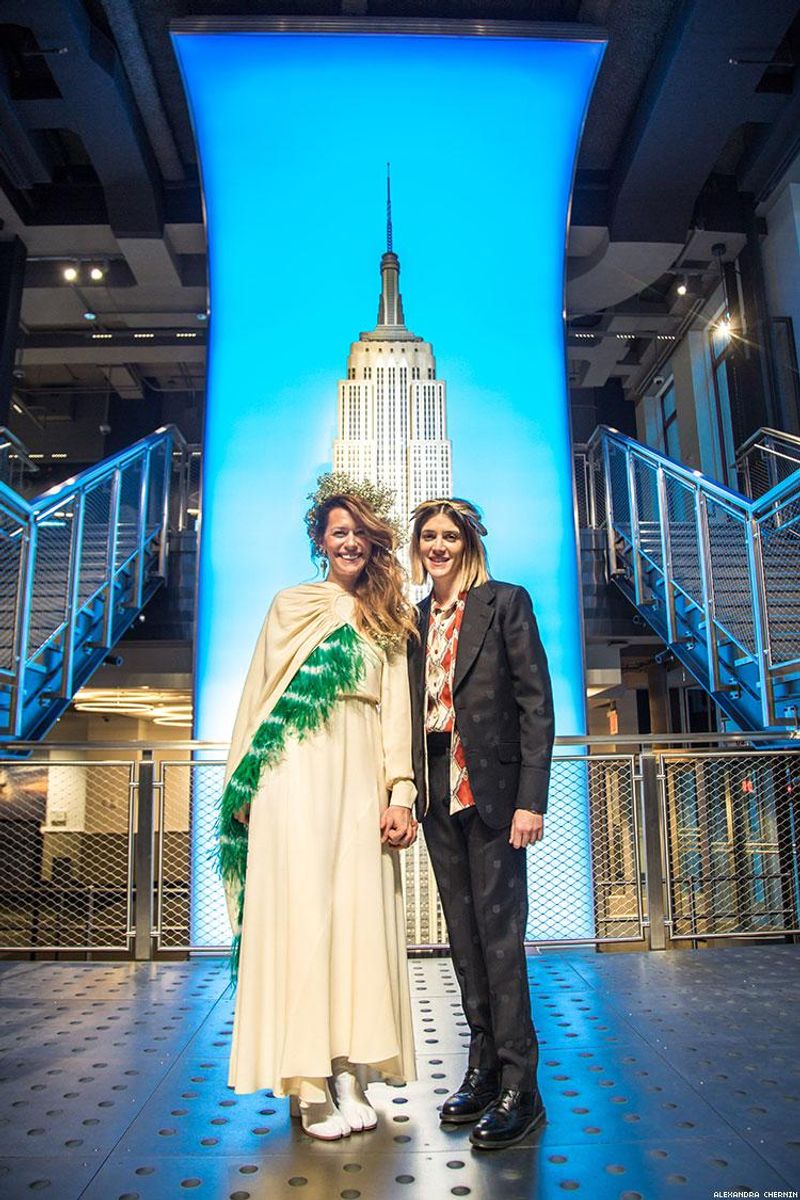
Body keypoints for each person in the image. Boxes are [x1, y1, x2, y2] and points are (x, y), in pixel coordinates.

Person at [218, 474, 419, 1141]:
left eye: (361, 533)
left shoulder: (387, 616)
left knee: (358, 921)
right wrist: (244, 785)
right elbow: (259, 698)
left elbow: (397, 713)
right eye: (340, 532)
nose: (351, 543)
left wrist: (400, 792)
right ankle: (305, 1085)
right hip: (293, 774)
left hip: (359, 771)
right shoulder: (290, 605)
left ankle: (346, 1070)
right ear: (320, 541)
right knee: (301, 920)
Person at [407, 497, 555, 1150]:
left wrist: (532, 799)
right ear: (419, 546)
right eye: (430, 536)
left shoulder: (504, 602)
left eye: (450, 536)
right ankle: (484, 1066)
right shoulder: (413, 618)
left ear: (469, 543)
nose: (439, 545)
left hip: (494, 795)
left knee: (501, 940)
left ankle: (522, 1087)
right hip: (438, 795)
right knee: (463, 938)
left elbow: (536, 705)